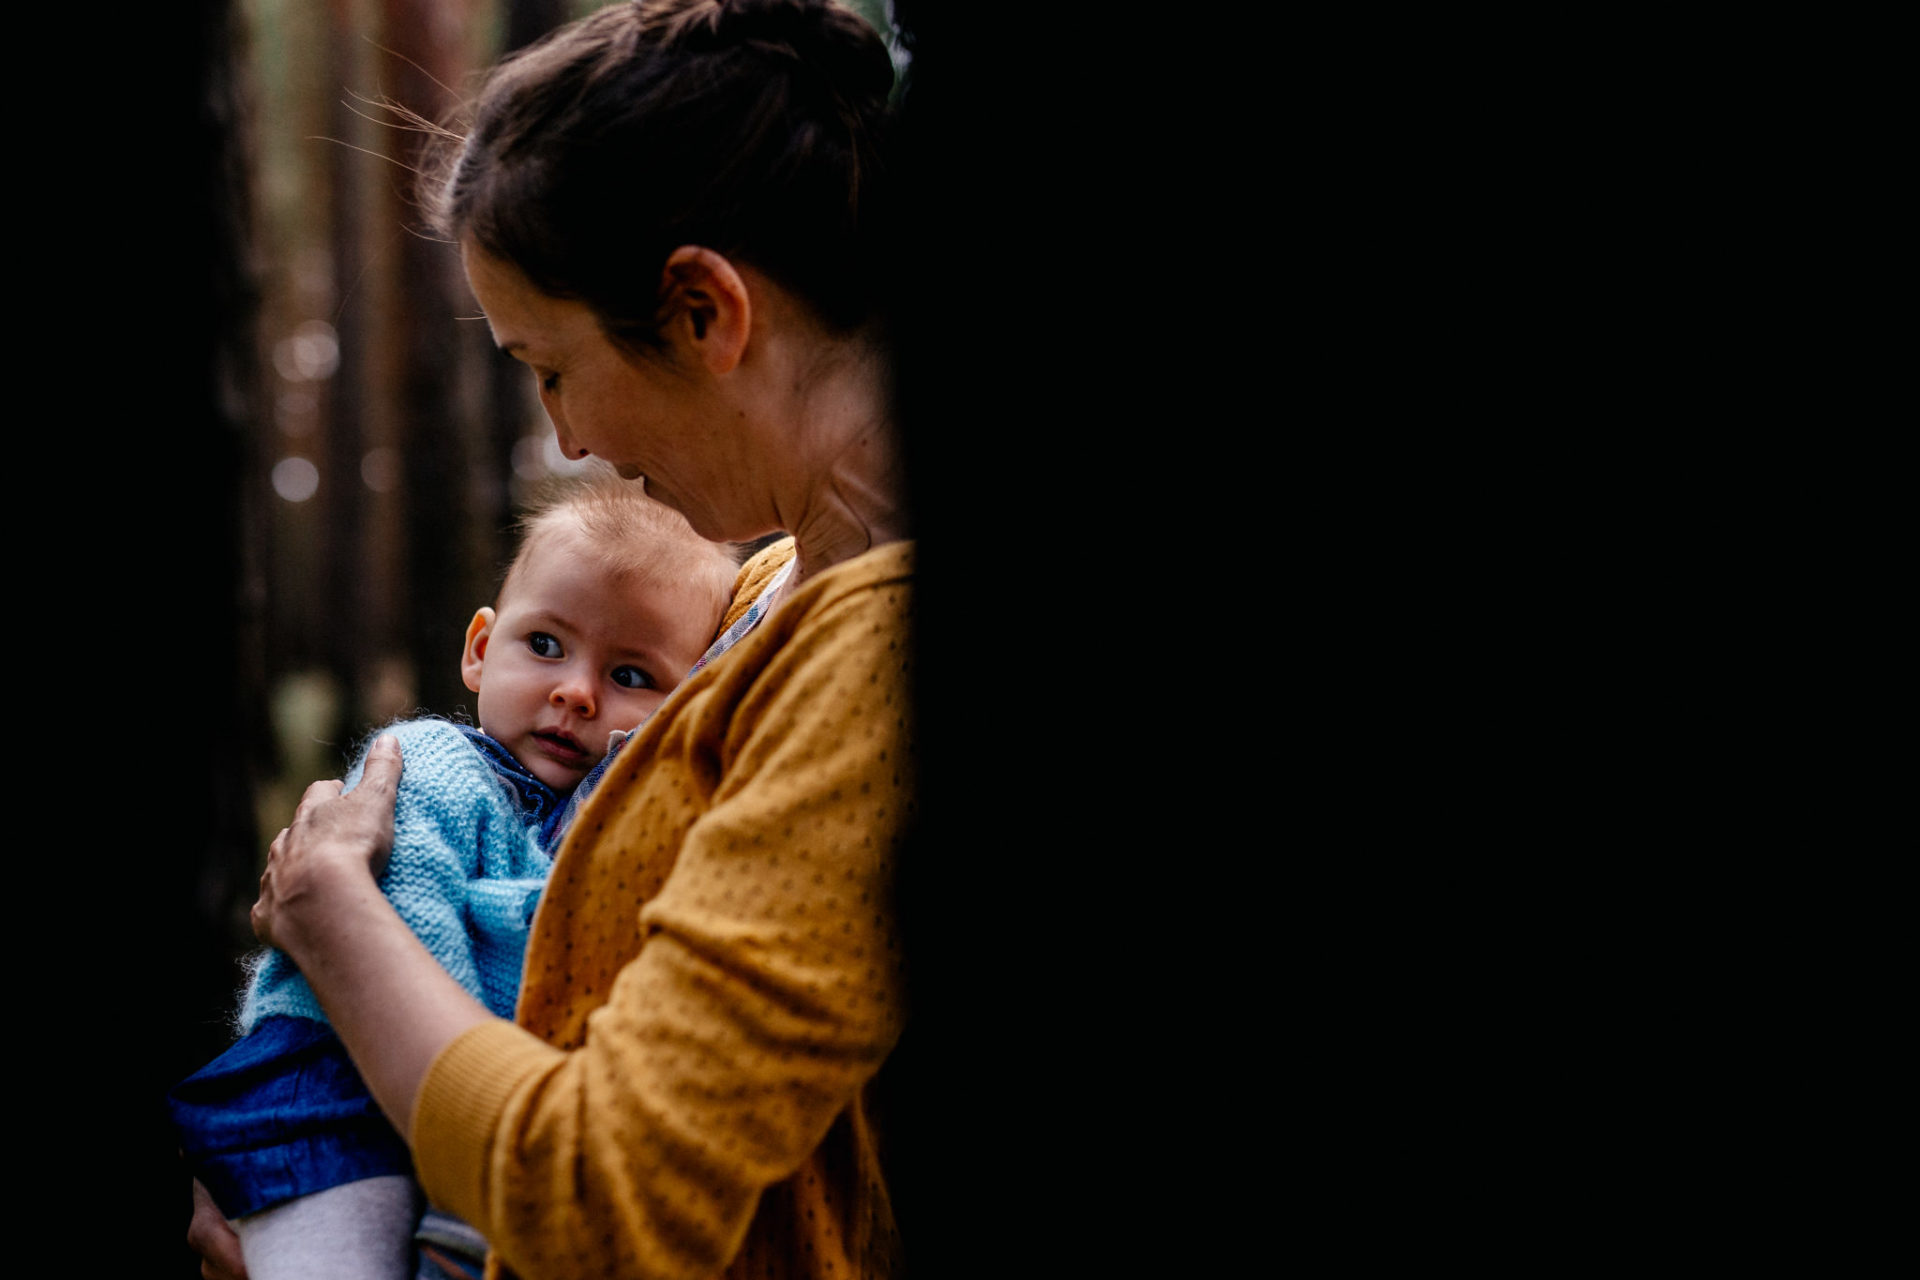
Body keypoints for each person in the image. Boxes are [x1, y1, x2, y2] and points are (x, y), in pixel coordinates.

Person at [189, 2, 915, 1277]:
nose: (567, 437)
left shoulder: (874, 656)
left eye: (553, 365)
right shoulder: (773, 585)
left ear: (704, 312)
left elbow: (605, 1193)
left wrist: (335, 919)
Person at [174, 470, 739, 1280]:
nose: (575, 693)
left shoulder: (597, 820)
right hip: (333, 1092)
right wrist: (477, 1095)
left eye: (630, 676)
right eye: (546, 645)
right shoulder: (435, 768)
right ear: (480, 650)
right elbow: (411, 922)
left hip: (453, 1102)